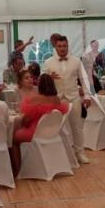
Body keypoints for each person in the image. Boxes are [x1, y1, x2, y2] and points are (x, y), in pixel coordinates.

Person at [41, 33, 91, 164]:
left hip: (74, 98)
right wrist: (49, 77)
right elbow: (42, 80)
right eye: (59, 46)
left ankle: (80, 153)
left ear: (68, 46)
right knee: (58, 128)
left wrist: (87, 95)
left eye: (64, 46)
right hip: (57, 99)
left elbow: (84, 79)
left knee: (77, 127)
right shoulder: (48, 62)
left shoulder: (76, 61)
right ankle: (61, 154)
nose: (62, 48)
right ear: (55, 47)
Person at [13, 74, 70, 144]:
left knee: (13, 138)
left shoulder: (36, 99)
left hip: (36, 133)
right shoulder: (57, 99)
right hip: (52, 133)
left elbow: (26, 121)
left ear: (40, 86)